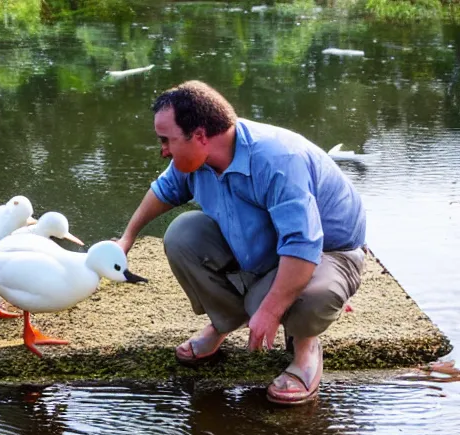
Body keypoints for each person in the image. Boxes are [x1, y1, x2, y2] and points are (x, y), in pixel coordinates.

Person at [114, 80, 366, 405]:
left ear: (201, 135)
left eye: (167, 140)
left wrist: (271, 311)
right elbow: (164, 191)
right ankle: (223, 322)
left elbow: (303, 246)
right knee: (183, 235)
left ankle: (306, 348)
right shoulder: (194, 158)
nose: (163, 149)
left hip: (328, 252)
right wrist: (127, 237)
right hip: (268, 248)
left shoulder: (277, 160)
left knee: (310, 299)